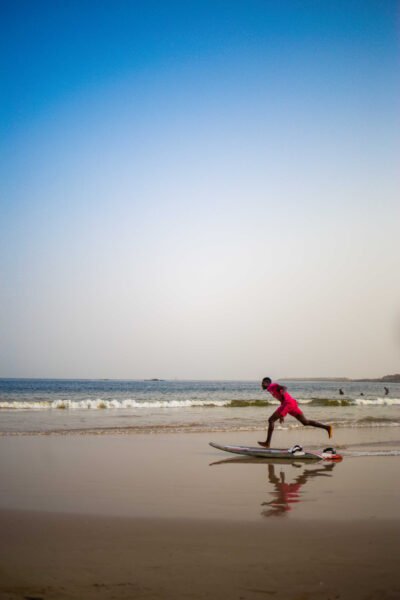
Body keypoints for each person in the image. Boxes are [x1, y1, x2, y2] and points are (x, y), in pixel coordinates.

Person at [258, 377, 332, 448]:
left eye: (263, 383)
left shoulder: (272, 386)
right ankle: (327, 427)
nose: (261, 384)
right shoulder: (270, 389)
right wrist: (282, 411)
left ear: (267, 383)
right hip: (290, 404)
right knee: (305, 422)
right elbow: (282, 398)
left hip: (288, 404)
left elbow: (284, 387)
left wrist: (282, 414)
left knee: (271, 420)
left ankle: (267, 443)